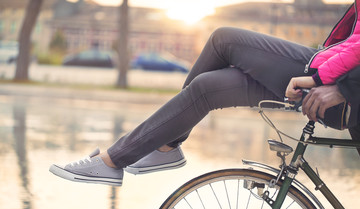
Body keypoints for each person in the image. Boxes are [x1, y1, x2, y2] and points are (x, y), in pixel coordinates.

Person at [49, 0, 360, 186]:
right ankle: (157, 149)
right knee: (206, 87)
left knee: (223, 39)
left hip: (327, 79)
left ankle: (133, 154)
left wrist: (338, 85)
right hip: (332, 74)